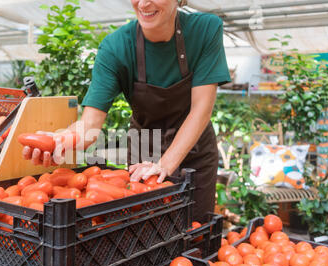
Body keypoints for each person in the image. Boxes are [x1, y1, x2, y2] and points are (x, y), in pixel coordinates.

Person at [23, 0, 231, 220]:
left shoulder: (205, 29)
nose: (143, 3)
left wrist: (164, 165)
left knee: (195, 232)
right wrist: (62, 140)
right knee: (143, 233)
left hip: (195, 153)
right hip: (144, 151)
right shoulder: (115, 47)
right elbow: (90, 124)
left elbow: (201, 109)